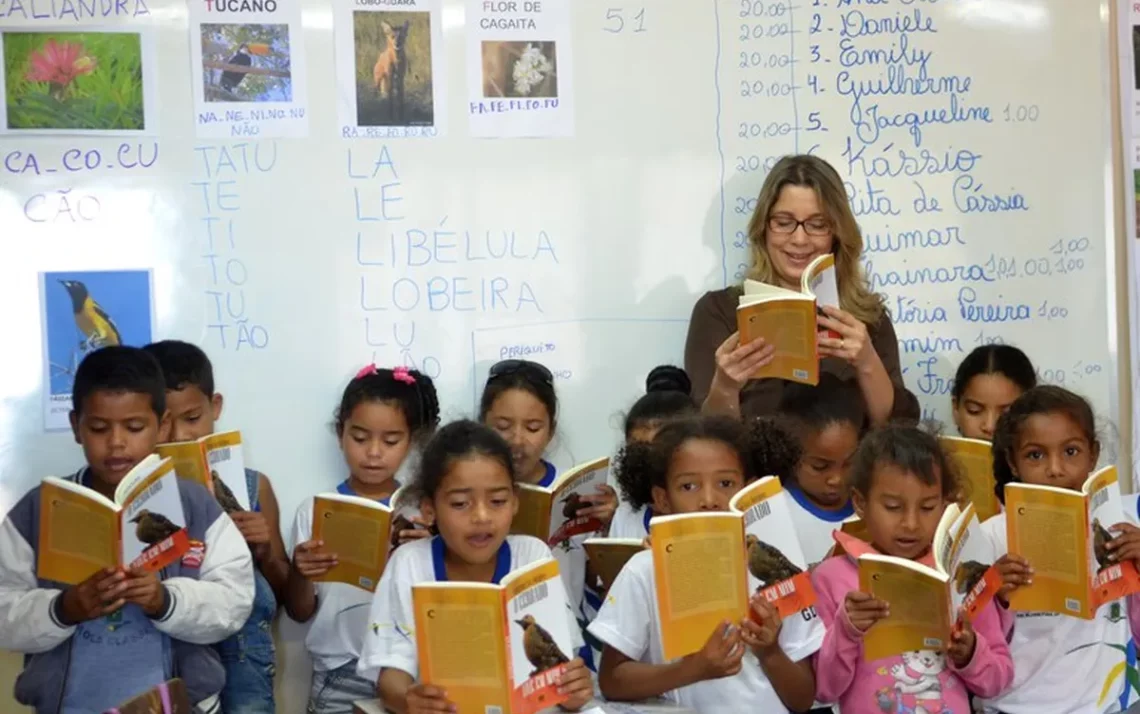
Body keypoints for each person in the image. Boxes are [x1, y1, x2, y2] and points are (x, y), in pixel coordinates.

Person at [0, 346, 253, 713]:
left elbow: (234, 603)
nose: (116, 442)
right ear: (76, 426)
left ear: (161, 426)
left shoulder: (196, 505)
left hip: (180, 706)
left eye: (134, 427)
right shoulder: (39, 509)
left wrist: (164, 600)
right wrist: (63, 608)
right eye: (99, 428)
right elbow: (4, 610)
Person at [357, 420, 594, 714]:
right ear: (429, 509)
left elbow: (565, 666)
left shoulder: (534, 557)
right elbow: (391, 675)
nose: (482, 516)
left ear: (515, 502)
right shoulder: (410, 565)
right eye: (460, 504)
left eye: (497, 501)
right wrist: (409, 700)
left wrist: (573, 688)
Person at [589, 415, 818, 713]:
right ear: (663, 499)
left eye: (725, 483)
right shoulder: (644, 570)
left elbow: (802, 700)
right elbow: (612, 681)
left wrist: (770, 652)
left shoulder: (779, 566)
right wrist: (693, 669)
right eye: (688, 487)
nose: (709, 499)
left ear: (747, 491)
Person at [684, 154, 918, 425]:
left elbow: (898, 433)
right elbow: (705, 440)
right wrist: (725, 387)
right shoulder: (719, 312)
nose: (799, 239)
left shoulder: (867, 320)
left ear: (837, 234)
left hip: (845, 468)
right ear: (764, 229)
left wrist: (866, 362)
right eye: (783, 222)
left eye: (817, 225)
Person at [811, 425, 1013, 712]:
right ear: (860, 502)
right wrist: (846, 629)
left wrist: (971, 654)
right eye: (893, 507)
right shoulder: (831, 577)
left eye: (928, 507)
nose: (911, 523)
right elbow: (824, 689)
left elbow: (999, 678)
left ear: (945, 505)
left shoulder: (960, 572)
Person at [285, 364, 439, 714]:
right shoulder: (315, 510)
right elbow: (299, 611)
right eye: (359, 437)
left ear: (412, 441)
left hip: (407, 671)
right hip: (338, 672)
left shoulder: (425, 511)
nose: (373, 452)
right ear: (340, 434)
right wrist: (300, 571)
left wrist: (431, 549)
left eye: (390, 440)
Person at [144, 339, 288, 714]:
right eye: (163, 423)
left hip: (244, 663)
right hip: (167, 662)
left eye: (193, 418)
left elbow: (286, 594)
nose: (179, 436)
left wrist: (264, 550)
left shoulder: (256, 487)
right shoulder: (135, 498)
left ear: (216, 406)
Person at [982, 386, 1140, 713]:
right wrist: (995, 595)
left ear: (1093, 454)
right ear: (1013, 461)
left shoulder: (1118, 526)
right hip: (1015, 705)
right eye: (1035, 455)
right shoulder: (992, 538)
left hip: (1105, 703)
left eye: (1071, 451)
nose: (1055, 469)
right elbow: (973, 646)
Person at [479, 359, 616, 668]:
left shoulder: (574, 489)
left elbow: (598, 583)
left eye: (532, 427)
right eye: (502, 427)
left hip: (563, 634)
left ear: (551, 431)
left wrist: (609, 527)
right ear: (482, 425)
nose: (516, 440)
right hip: (486, 634)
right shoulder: (468, 493)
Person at [777, 374, 865, 569]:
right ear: (789, 454)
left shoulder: (871, 506)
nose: (836, 479)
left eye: (849, 463)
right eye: (820, 467)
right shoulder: (778, 513)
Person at [610, 365, 698, 540]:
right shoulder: (625, 517)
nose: (649, 462)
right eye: (639, 451)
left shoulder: (712, 509)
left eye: (660, 450)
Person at [950, 344, 1036, 441]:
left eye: (1006, 414)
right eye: (974, 410)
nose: (990, 427)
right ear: (955, 409)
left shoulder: (1051, 456)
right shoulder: (935, 455)